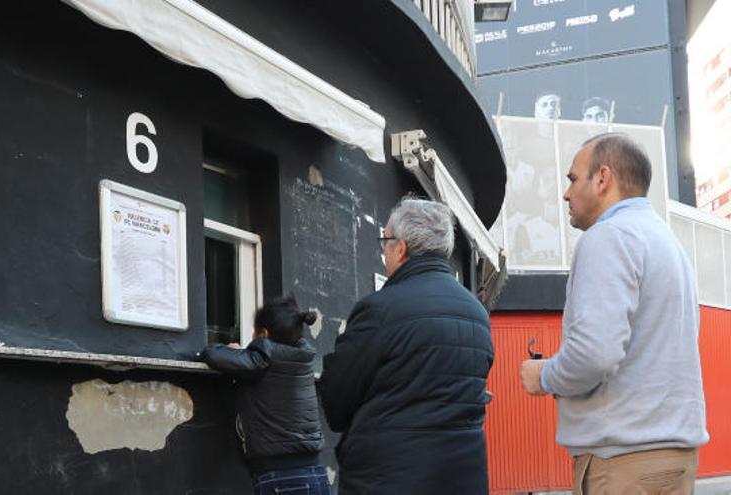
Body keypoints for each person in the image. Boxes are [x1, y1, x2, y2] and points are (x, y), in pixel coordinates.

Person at [519, 133, 709, 494]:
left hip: (623, 463)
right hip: (671, 457)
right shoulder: (666, 243)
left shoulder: (608, 237)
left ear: (603, 178)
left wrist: (544, 376)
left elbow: (594, 354)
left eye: (573, 179)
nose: (566, 193)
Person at [319, 197, 494, 494]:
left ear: (400, 249)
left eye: (385, 241)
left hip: (390, 477)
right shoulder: (477, 313)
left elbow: (336, 402)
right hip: (463, 476)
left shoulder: (380, 309)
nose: (384, 252)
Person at [201, 295, 330, 495]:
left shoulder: (261, 361)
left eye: (254, 331)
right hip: (315, 473)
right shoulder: (302, 360)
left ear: (264, 334)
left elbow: (211, 354)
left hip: (281, 477)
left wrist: (234, 351)